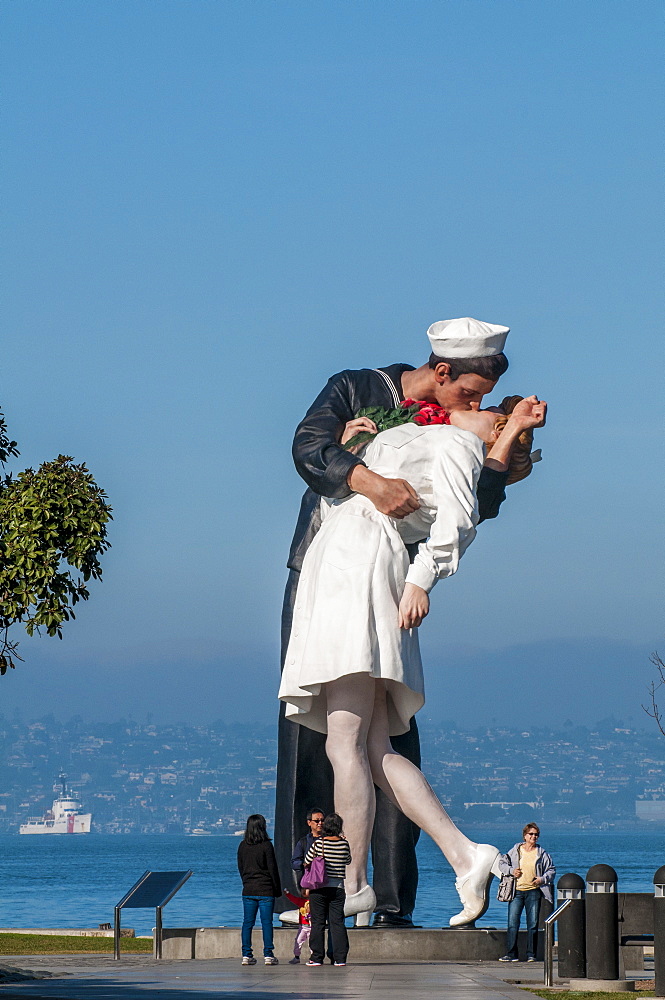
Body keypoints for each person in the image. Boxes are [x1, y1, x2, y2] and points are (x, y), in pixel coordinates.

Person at [276, 316, 517, 927]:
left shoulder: (458, 444)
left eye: (489, 410)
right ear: (441, 374)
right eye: (473, 396)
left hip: (358, 571)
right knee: (374, 745)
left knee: (343, 741)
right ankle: (465, 856)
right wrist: (359, 454)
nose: (479, 408)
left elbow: (458, 522)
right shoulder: (397, 416)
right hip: (341, 567)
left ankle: (354, 881)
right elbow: (312, 450)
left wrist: (418, 582)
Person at [498, 823, 555, 962]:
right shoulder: (516, 850)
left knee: (533, 924)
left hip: (533, 892)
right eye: (531, 834)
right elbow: (502, 863)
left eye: (536, 834)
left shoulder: (542, 854)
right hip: (516, 891)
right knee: (512, 923)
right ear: (525, 836)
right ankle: (511, 954)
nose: (534, 837)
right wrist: (512, 871)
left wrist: (542, 879)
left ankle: (531, 954)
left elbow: (551, 870)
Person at [304, 812, 352, 967]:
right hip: (337, 888)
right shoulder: (344, 844)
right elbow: (348, 860)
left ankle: (316, 957)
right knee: (337, 923)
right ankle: (340, 958)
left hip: (318, 888)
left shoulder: (319, 844)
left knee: (317, 923)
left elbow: (306, 861)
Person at [237, 814, 281, 966]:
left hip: (248, 889)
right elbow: (273, 869)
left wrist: (246, 882)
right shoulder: (267, 846)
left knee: (247, 923)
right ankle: (268, 954)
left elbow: (241, 868)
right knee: (266, 923)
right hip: (266, 889)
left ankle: (246, 954)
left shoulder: (243, 845)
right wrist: (277, 889)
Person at [283, 888, 311, 963]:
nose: (304, 891)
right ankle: (296, 957)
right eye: (302, 889)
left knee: (312, 943)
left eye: (306, 889)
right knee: (298, 941)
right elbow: (293, 899)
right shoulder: (300, 901)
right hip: (302, 926)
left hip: (312, 926)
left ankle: (313, 957)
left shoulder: (314, 902)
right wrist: (287, 894)